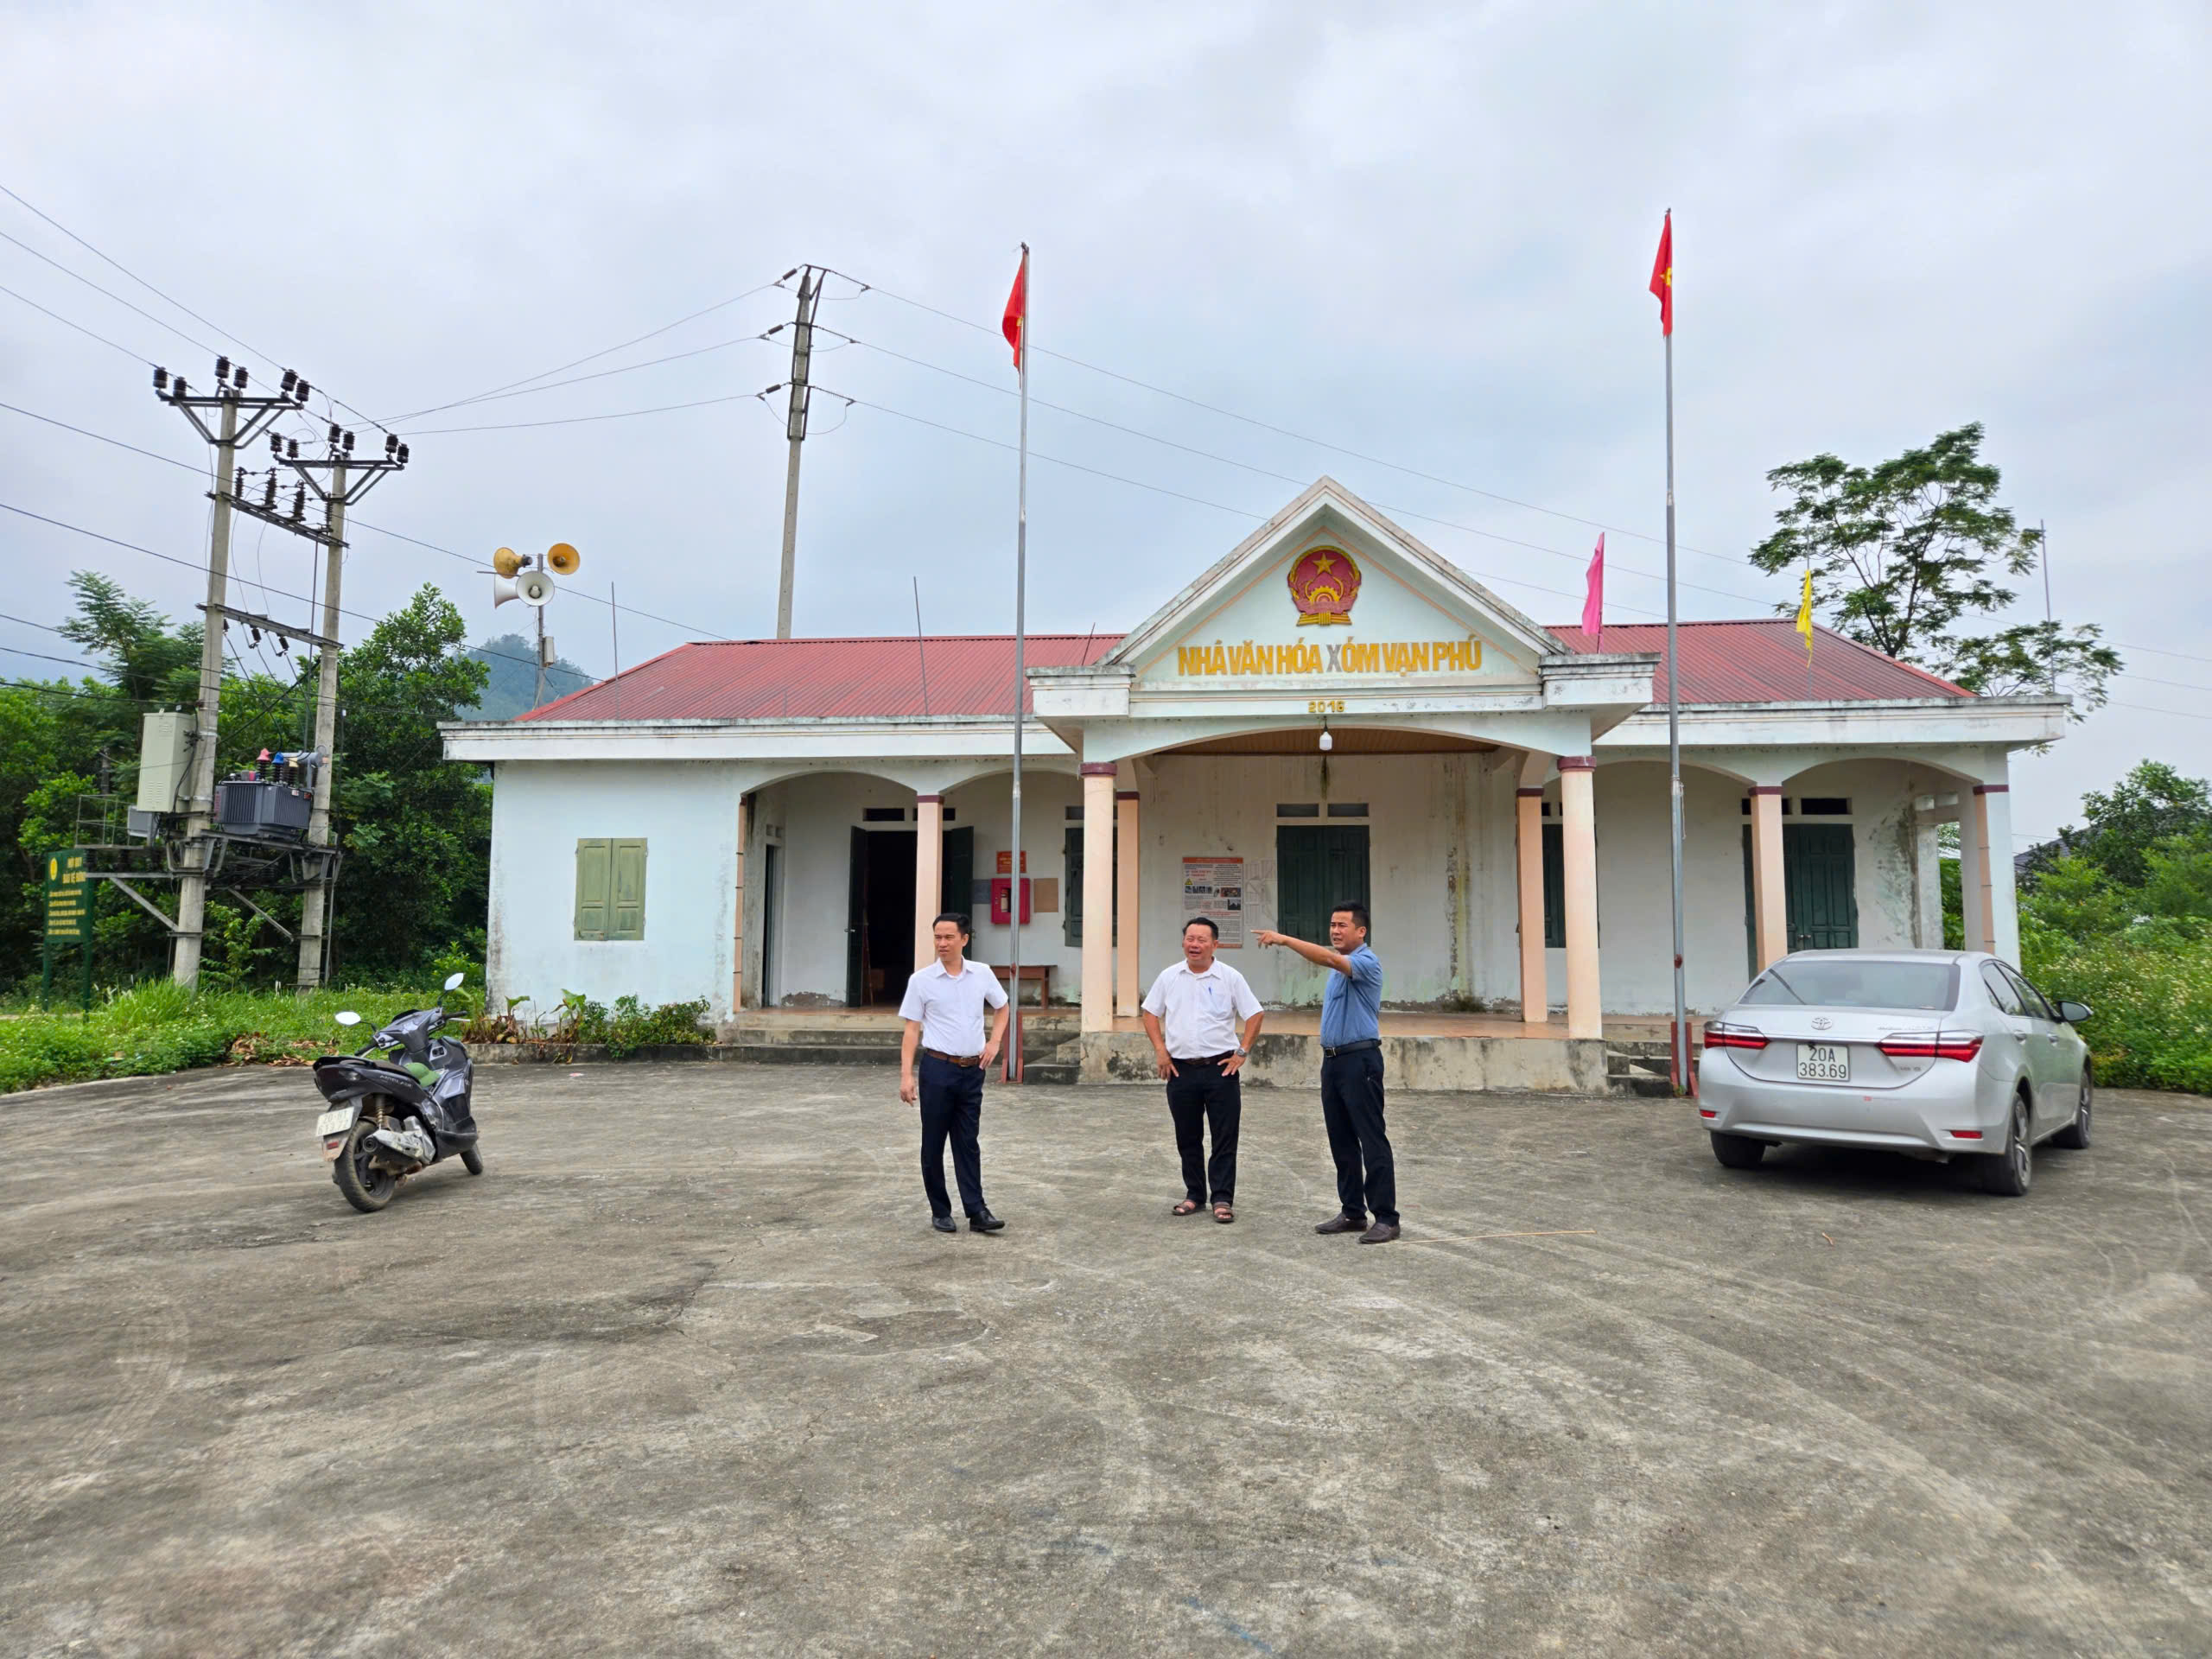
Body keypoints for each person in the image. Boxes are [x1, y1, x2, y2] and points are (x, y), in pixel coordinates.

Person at [1254, 901, 1398, 1243]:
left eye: (1342, 925)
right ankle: (1352, 1212)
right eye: (1332, 924)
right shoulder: (1338, 968)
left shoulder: (1363, 961)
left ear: (1360, 931)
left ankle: (1387, 1218)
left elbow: (1330, 958)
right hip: (1333, 1062)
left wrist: (1284, 940)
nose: (1335, 930)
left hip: (1359, 1061)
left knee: (1371, 1137)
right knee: (1341, 1140)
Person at [1140, 917, 1265, 1224]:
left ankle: (1222, 1198)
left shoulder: (1230, 977)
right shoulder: (1170, 976)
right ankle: (1194, 1194)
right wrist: (1161, 1051)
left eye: (1201, 940)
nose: (1194, 945)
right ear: (1183, 942)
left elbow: (1255, 1013)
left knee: (1225, 1136)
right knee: (1188, 1136)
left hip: (1221, 1070)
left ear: (1215, 945)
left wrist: (1241, 1051)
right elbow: (1149, 1012)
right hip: (1180, 1071)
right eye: (1189, 939)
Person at [898, 912, 1012, 1234]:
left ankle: (977, 1211)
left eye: (949, 937)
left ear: (964, 939)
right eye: (937, 937)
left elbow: (1002, 1006)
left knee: (967, 1141)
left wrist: (995, 1042)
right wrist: (907, 1075)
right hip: (937, 1069)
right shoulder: (921, 981)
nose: (942, 943)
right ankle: (940, 1210)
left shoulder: (982, 974)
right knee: (933, 1142)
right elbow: (911, 1029)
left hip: (972, 1069)